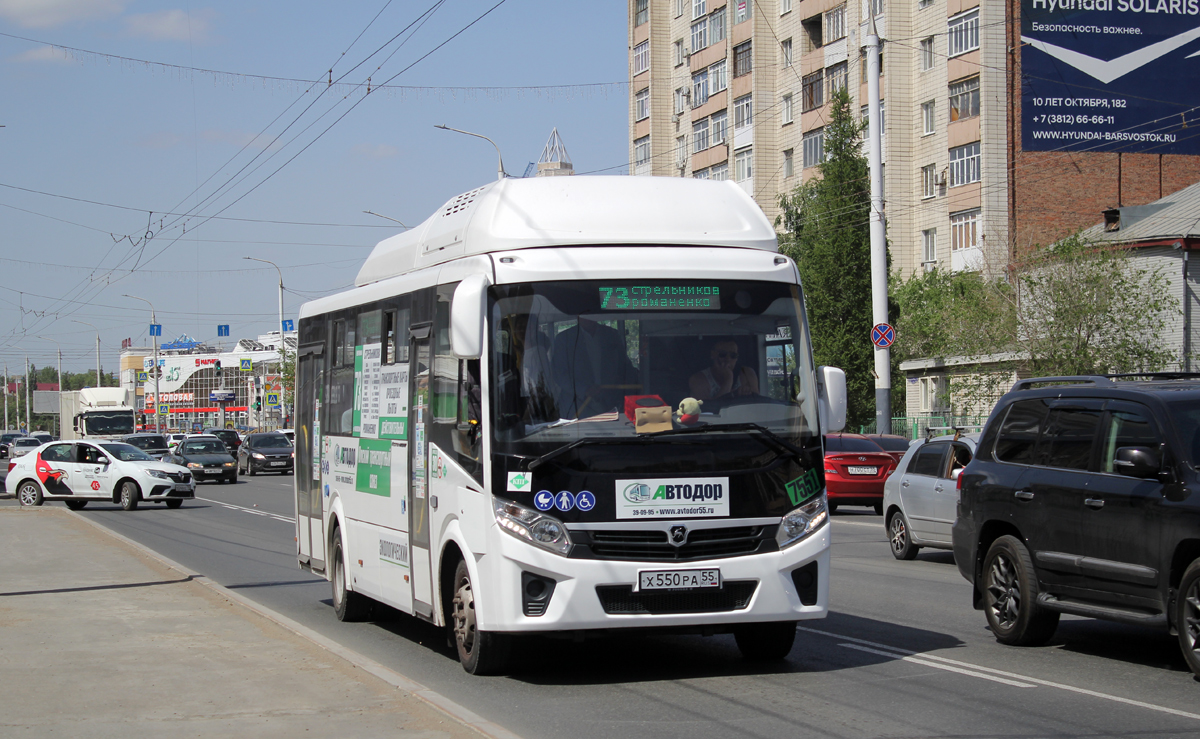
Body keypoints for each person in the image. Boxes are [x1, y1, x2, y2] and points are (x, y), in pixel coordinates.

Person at [551, 317, 637, 418]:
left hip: (611, 405)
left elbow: (624, 367)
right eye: (584, 313)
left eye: (590, 313)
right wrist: (584, 390)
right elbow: (559, 374)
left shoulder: (612, 335)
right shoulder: (564, 339)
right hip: (577, 408)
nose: (588, 317)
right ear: (578, 315)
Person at [688, 339, 759, 401]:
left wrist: (747, 395)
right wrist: (728, 380)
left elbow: (757, 405)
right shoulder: (698, 379)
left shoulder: (747, 374)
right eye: (722, 354)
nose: (728, 359)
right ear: (713, 355)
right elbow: (706, 411)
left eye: (733, 355)